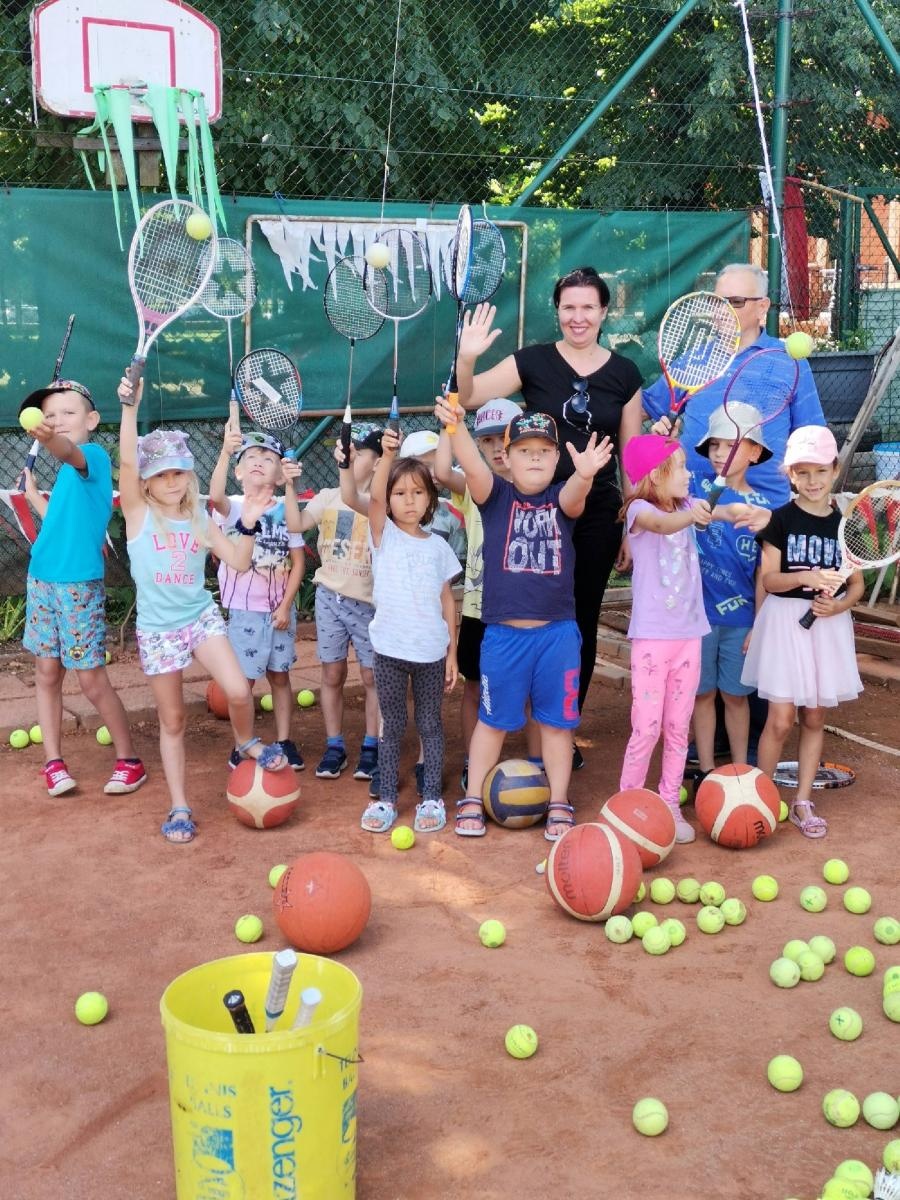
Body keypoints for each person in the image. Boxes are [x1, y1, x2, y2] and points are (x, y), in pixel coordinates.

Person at [456, 267, 644, 768]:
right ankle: (512, 722)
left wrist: (630, 519)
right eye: (569, 307)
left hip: (598, 511)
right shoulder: (532, 361)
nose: (578, 317)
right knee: (524, 615)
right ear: (557, 311)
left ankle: (559, 728)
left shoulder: (625, 374)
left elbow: (630, 455)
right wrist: (467, 358)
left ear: (604, 312)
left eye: (588, 307)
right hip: (535, 512)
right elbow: (468, 394)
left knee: (577, 620)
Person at [643, 262, 827, 762]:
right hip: (699, 512)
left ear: (763, 307)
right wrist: (660, 429)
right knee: (701, 615)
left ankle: (756, 728)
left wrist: (805, 507)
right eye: (720, 301)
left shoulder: (789, 361)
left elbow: (810, 435)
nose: (727, 311)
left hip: (769, 510)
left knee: (763, 614)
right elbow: (653, 411)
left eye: (739, 302)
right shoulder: (694, 360)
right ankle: (706, 745)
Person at [118, 375, 287, 844]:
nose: (171, 481)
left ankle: (246, 741)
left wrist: (248, 526)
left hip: (200, 618)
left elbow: (237, 560)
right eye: (161, 474)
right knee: (172, 722)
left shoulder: (200, 518)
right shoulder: (138, 513)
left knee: (238, 690)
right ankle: (179, 806)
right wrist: (129, 409)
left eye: (178, 472)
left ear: (188, 475)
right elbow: (128, 460)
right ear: (147, 483)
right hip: (158, 631)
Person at [434, 398, 613, 840]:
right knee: (492, 722)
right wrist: (455, 428)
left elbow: (575, 496)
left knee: (557, 724)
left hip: (557, 637)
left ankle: (558, 802)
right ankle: (473, 796)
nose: (535, 457)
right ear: (507, 459)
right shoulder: (494, 497)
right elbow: (471, 466)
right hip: (503, 638)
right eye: (524, 450)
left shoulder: (561, 499)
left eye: (544, 451)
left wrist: (586, 473)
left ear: (556, 459)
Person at [618, 434, 760, 843]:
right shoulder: (640, 510)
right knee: (647, 727)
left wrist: (735, 511)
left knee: (678, 728)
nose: (688, 473)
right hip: (652, 640)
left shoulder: (686, 504)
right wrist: (696, 514)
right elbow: (664, 525)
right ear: (656, 475)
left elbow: (717, 510)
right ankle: (628, 804)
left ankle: (667, 805)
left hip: (689, 637)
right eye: (679, 467)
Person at [19, 378, 147, 798]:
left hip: (77, 588)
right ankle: (53, 763)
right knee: (47, 672)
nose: (57, 421)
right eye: (50, 415)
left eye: (68, 413)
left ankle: (129, 760)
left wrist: (51, 438)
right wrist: (35, 497)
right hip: (42, 580)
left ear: (91, 419)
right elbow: (61, 518)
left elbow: (67, 450)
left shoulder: (90, 457)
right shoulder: (69, 477)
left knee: (91, 680)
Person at [742, 426, 863, 839]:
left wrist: (838, 605)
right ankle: (761, 796)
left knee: (814, 717)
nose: (812, 481)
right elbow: (770, 580)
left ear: (835, 470)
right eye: (803, 472)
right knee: (779, 720)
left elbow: (857, 586)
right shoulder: (780, 520)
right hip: (785, 625)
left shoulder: (845, 525)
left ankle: (802, 800)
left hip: (826, 629)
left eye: (820, 471)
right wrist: (806, 577)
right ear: (790, 474)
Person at [350, 428, 461, 834]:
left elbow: (448, 600)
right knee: (392, 725)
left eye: (417, 493)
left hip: (431, 653)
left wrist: (451, 653)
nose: (408, 500)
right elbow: (374, 497)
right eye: (400, 493)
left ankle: (431, 796)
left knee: (430, 724)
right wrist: (386, 456)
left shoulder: (439, 547)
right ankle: (386, 801)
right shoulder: (383, 535)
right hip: (390, 652)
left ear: (431, 499)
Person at [433, 397, 542, 790]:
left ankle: (537, 763)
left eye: (504, 439)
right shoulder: (477, 485)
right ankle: (471, 763)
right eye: (487, 441)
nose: (497, 448)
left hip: (526, 610)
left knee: (530, 692)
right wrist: (450, 420)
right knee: (475, 687)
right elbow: (442, 470)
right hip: (481, 608)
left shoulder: (537, 482)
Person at [209, 426, 306, 771]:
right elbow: (215, 494)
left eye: (268, 458)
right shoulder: (232, 507)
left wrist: (285, 606)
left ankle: (284, 740)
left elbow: (298, 561)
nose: (258, 462)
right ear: (239, 471)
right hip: (244, 613)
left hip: (280, 613)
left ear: (280, 474)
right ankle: (243, 743)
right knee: (243, 682)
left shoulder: (284, 509)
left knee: (279, 677)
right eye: (250, 457)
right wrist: (224, 451)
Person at [292, 423, 383, 782]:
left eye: (358, 452)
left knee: (372, 676)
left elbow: (357, 498)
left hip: (370, 603)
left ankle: (372, 746)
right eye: (345, 450)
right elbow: (296, 523)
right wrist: (289, 485)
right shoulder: (327, 496)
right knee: (331, 674)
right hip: (329, 598)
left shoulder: (384, 500)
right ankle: (335, 746)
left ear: (378, 461)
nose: (347, 456)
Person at [691, 403, 774, 786]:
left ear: (755, 451)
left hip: (741, 621)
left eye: (732, 444)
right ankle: (707, 770)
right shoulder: (693, 491)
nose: (721, 453)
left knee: (736, 697)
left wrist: (758, 624)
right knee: (702, 695)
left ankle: (741, 771)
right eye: (714, 446)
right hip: (695, 619)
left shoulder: (767, 509)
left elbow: (763, 573)